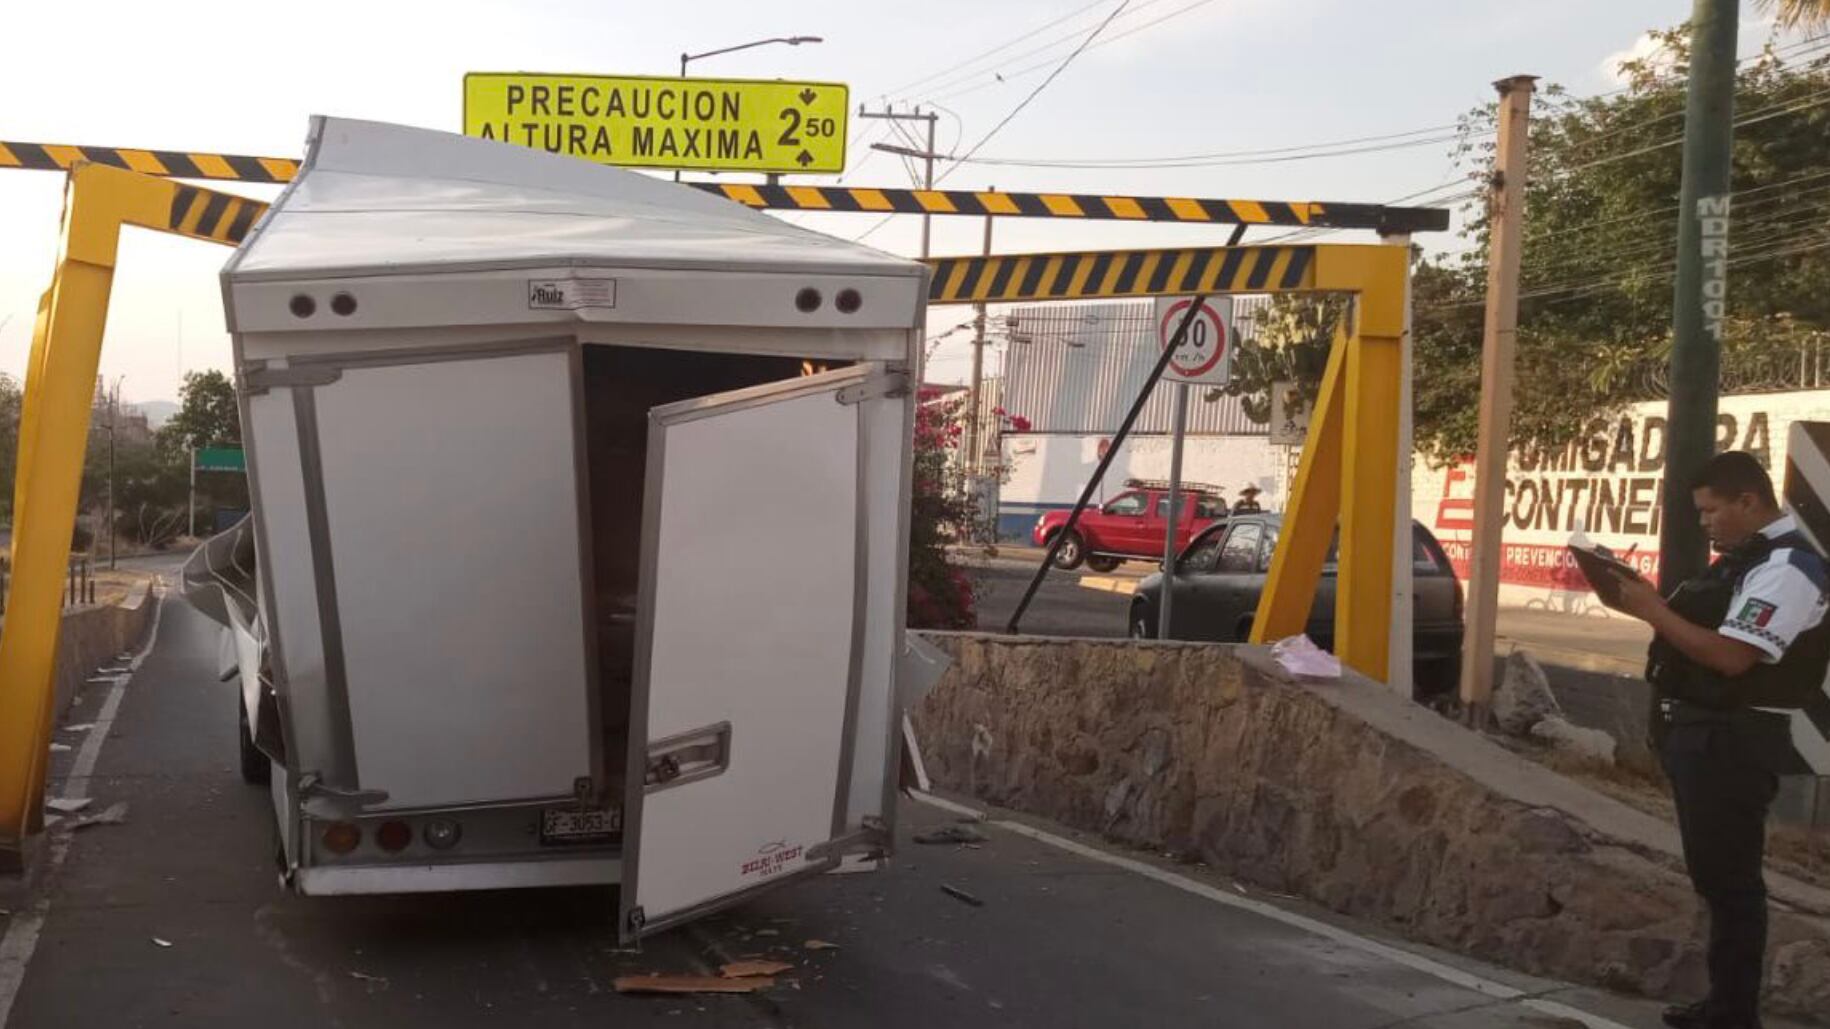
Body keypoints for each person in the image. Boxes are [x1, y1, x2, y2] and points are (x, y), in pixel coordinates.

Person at [1609, 451, 1830, 1029]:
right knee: (1715, 876)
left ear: (1748, 502)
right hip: (1705, 734)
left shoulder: (1788, 568)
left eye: (1711, 511)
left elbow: (1733, 657)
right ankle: (1724, 1005)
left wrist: (1653, 611)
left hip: (1734, 740)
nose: (1704, 523)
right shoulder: (1745, 560)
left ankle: (1734, 1014)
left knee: (1732, 884)